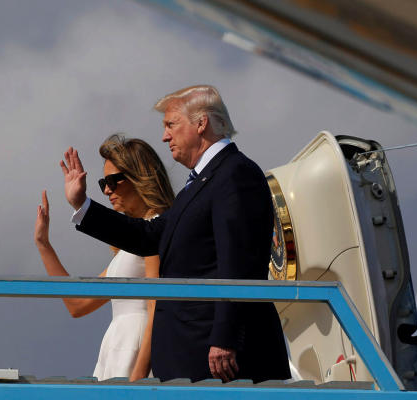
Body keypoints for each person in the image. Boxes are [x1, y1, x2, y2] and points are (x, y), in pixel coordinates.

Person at [62, 84, 290, 383]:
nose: (164, 136)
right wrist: (83, 205)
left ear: (201, 123)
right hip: (192, 357)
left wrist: (225, 337)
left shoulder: (235, 173)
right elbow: (148, 236)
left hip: (222, 360)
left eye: (171, 124)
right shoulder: (199, 183)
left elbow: (238, 263)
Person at [35, 134, 174, 381]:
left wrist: (139, 374)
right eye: (103, 183)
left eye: (113, 181)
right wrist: (44, 245)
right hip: (118, 345)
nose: (107, 190)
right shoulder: (126, 252)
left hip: (140, 348)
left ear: (139, 178)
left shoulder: (155, 234)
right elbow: (77, 306)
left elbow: (157, 307)